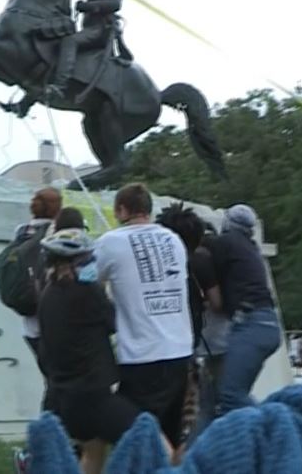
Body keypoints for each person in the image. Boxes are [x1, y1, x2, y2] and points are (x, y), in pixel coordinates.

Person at [37, 227, 169, 474]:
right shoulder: (87, 292)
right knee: (152, 439)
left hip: (67, 397)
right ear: (70, 264)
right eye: (86, 259)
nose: (92, 264)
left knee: (92, 454)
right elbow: (113, 322)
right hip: (94, 396)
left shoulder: (47, 295)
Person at [93, 183, 194, 452]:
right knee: (169, 436)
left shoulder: (110, 242)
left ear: (122, 210)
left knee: (135, 438)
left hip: (142, 353)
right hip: (180, 349)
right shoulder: (173, 240)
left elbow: (89, 284)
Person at [155, 202, 224, 448]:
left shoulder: (154, 268)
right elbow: (216, 301)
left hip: (153, 352)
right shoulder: (199, 261)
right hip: (186, 349)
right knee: (186, 421)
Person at [206, 204, 282, 417]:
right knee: (231, 398)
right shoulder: (249, 247)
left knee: (230, 395)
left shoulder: (227, 243)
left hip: (251, 324)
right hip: (264, 324)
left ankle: (278, 427)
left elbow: (201, 256)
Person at [48, 0, 131, 98]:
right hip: (87, 27)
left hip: (101, 29)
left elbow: (115, 3)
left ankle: (60, 85)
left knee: (70, 41)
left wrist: (88, 6)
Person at [17, 188, 63, 408]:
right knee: (57, 382)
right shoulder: (56, 234)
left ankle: (52, 429)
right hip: (52, 323)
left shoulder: (21, 231)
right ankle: (49, 431)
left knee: (51, 380)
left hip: (29, 324)